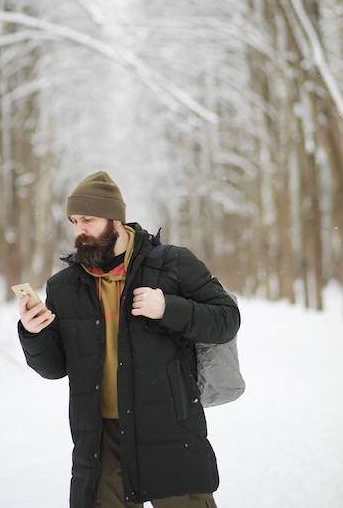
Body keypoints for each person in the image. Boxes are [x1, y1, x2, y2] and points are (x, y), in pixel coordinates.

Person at [18, 171, 240, 508]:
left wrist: (168, 308)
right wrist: (33, 334)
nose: (80, 230)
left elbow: (226, 318)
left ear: (116, 220)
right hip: (101, 440)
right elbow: (54, 368)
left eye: (88, 220)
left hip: (169, 430)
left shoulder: (173, 265)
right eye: (75, 221)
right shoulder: (65, 287)